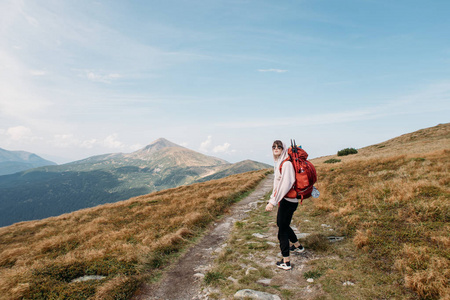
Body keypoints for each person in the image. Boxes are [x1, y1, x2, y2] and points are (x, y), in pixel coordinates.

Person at [266, 140, 304, 270]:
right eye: (274, 147)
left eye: (279, 146)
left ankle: (286, 261)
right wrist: (274, 199)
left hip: (288, 201)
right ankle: (298, 246)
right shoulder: (280, 162)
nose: (276, 148)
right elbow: (277, 184)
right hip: (287, 201)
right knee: (284, 225)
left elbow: (285, 185)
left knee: (282, 229)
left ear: (283, 149)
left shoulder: (286, 163)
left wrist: (273, 201)